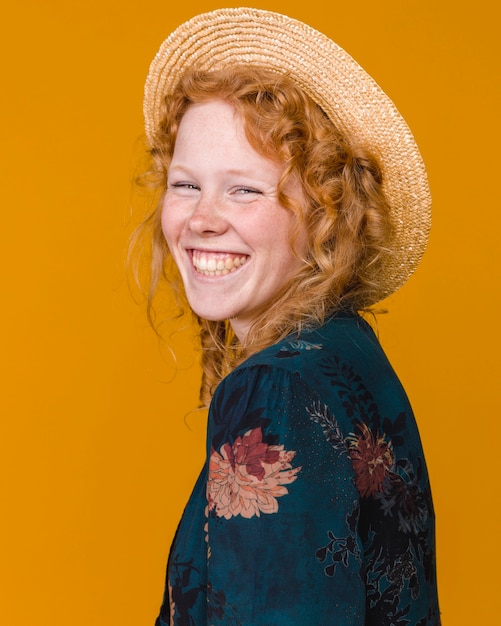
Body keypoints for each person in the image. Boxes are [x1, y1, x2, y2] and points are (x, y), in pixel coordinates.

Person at [135, 7, 440, 625]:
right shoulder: (345, 351)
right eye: (185, 184)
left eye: (244, 189)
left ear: (328, 214)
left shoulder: (274, 388)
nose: (201, 219)